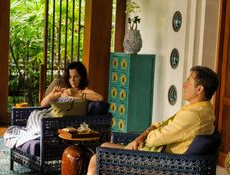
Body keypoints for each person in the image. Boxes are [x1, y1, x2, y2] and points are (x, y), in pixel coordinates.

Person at [87, 65, 219, 175]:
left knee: (96, 159)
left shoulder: (194, 116)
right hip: (159, 156)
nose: (184, 85)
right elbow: (160, 124)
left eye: (188, 81)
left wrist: (142, 137)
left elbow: (155, 139)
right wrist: (144, 134)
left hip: (161, 164)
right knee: (103, 147)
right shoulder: (201, 110)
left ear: (199, 89)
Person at [4, 61, 103, 148]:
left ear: (82, 77)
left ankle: (39, 133)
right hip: (47, 115)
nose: (72, 80)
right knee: (35, 114)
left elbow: (99, 98)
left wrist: (77, 94)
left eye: (76, 76)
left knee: (40, 120)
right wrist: (52, 96)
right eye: (70, 77)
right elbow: (42, 104)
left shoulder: (84, 90)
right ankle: (35, 132)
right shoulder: (65, 90)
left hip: (57, 121)